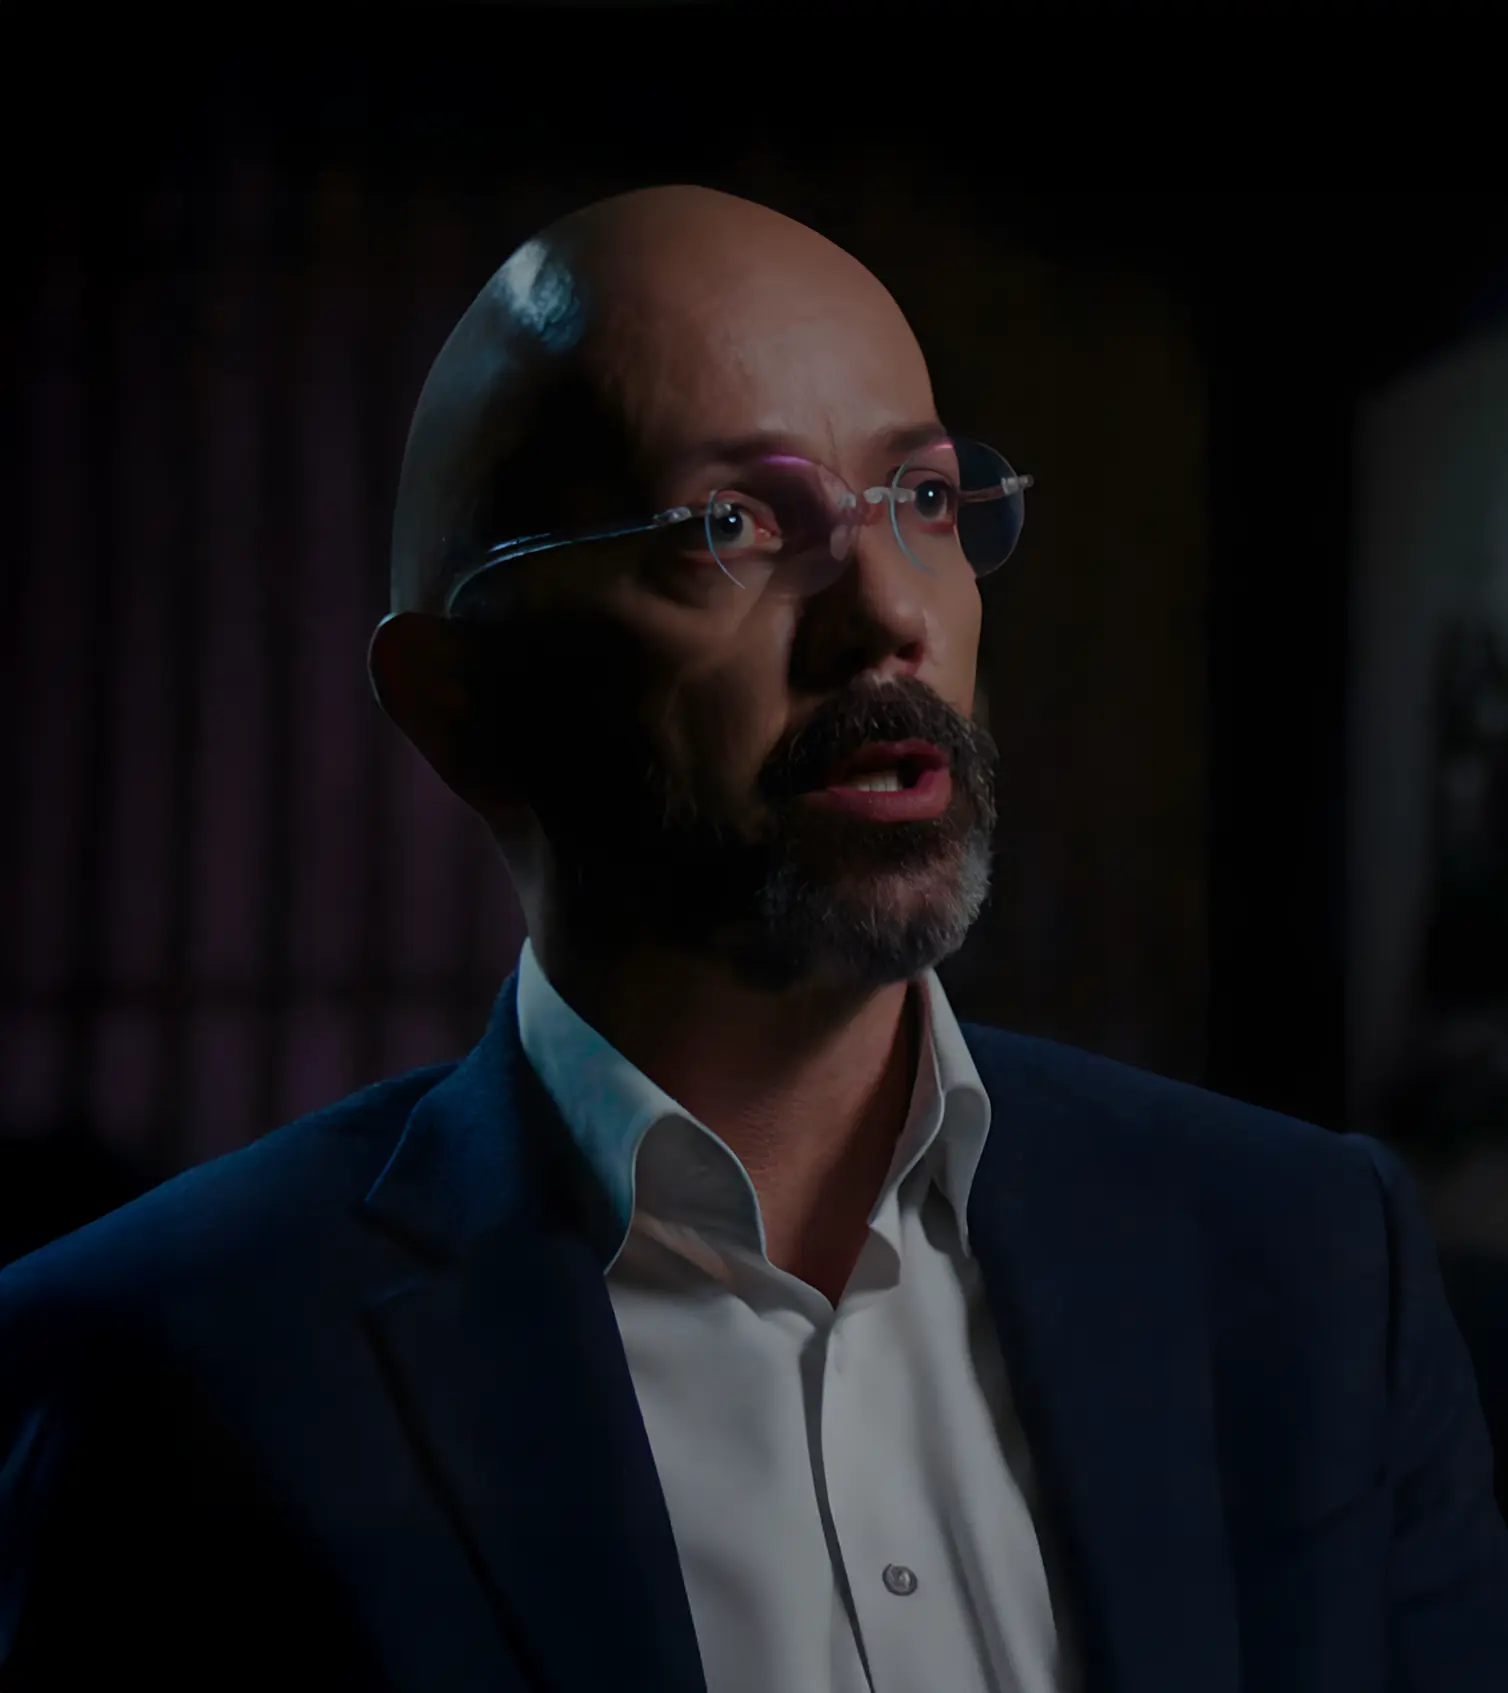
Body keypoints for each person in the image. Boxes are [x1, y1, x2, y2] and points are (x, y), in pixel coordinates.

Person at [1, 185, 1504, 1693]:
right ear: (463, 706)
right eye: (732, 525)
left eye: (925, 501)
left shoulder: (1313, 1261)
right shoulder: (163, 1367)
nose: (887, 612)